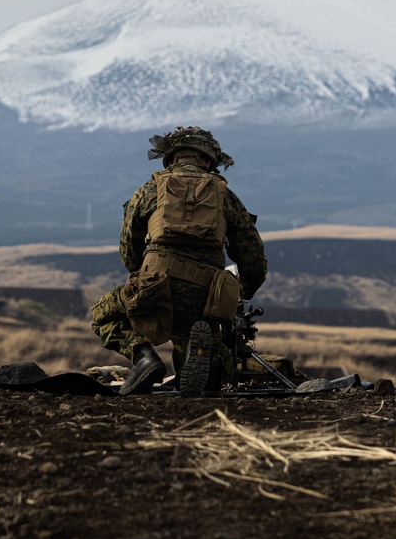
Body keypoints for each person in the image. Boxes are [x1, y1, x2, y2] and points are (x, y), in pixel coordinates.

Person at [91, 126, 268, 396]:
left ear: (171, 158)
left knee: (103, 314)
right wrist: (242, 291)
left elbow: (129, 248)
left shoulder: (149, 191)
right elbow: (252, 257)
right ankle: (202, 363)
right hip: (204, 298)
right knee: (209, 365)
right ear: (208, 160)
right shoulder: (226, 198)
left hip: (155, 285)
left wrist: (142, 280)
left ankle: (143, 357)